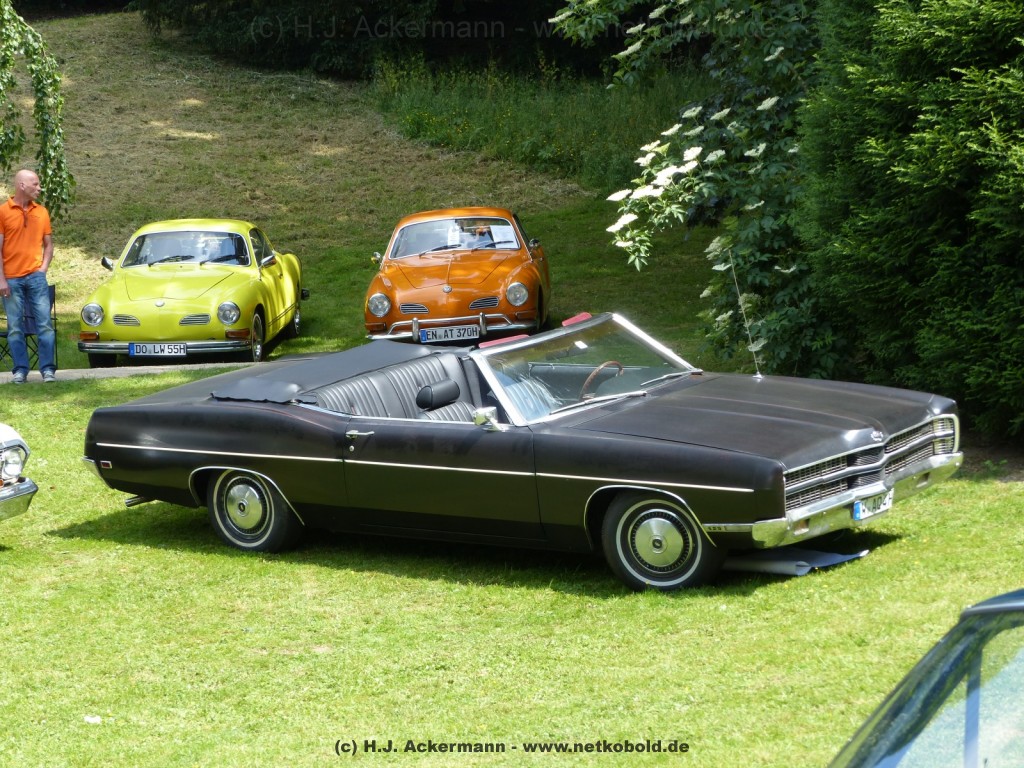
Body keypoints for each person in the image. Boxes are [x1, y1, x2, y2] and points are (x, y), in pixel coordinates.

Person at [0, 169, 56, 383]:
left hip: (36, 277)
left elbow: (48, 244)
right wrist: (1, 280)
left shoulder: (42, 212)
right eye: (35, 184)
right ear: (22, 185)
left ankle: (48, 370)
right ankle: (20, 371)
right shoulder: (3, 212)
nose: (39, 188)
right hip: (11, 279)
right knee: (15, 327)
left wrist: (43, 269)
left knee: (44, 324)